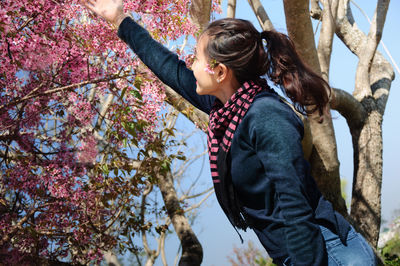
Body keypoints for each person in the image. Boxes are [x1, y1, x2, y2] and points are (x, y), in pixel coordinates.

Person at [81, 1, 377, 265]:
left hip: (325, 254)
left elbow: (295, 207)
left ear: (220, 72)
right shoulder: (229, 108)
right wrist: (119, 20)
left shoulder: (265, 117)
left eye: (195, 58)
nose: (189, 64)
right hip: (301, 254)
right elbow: (169, 68)